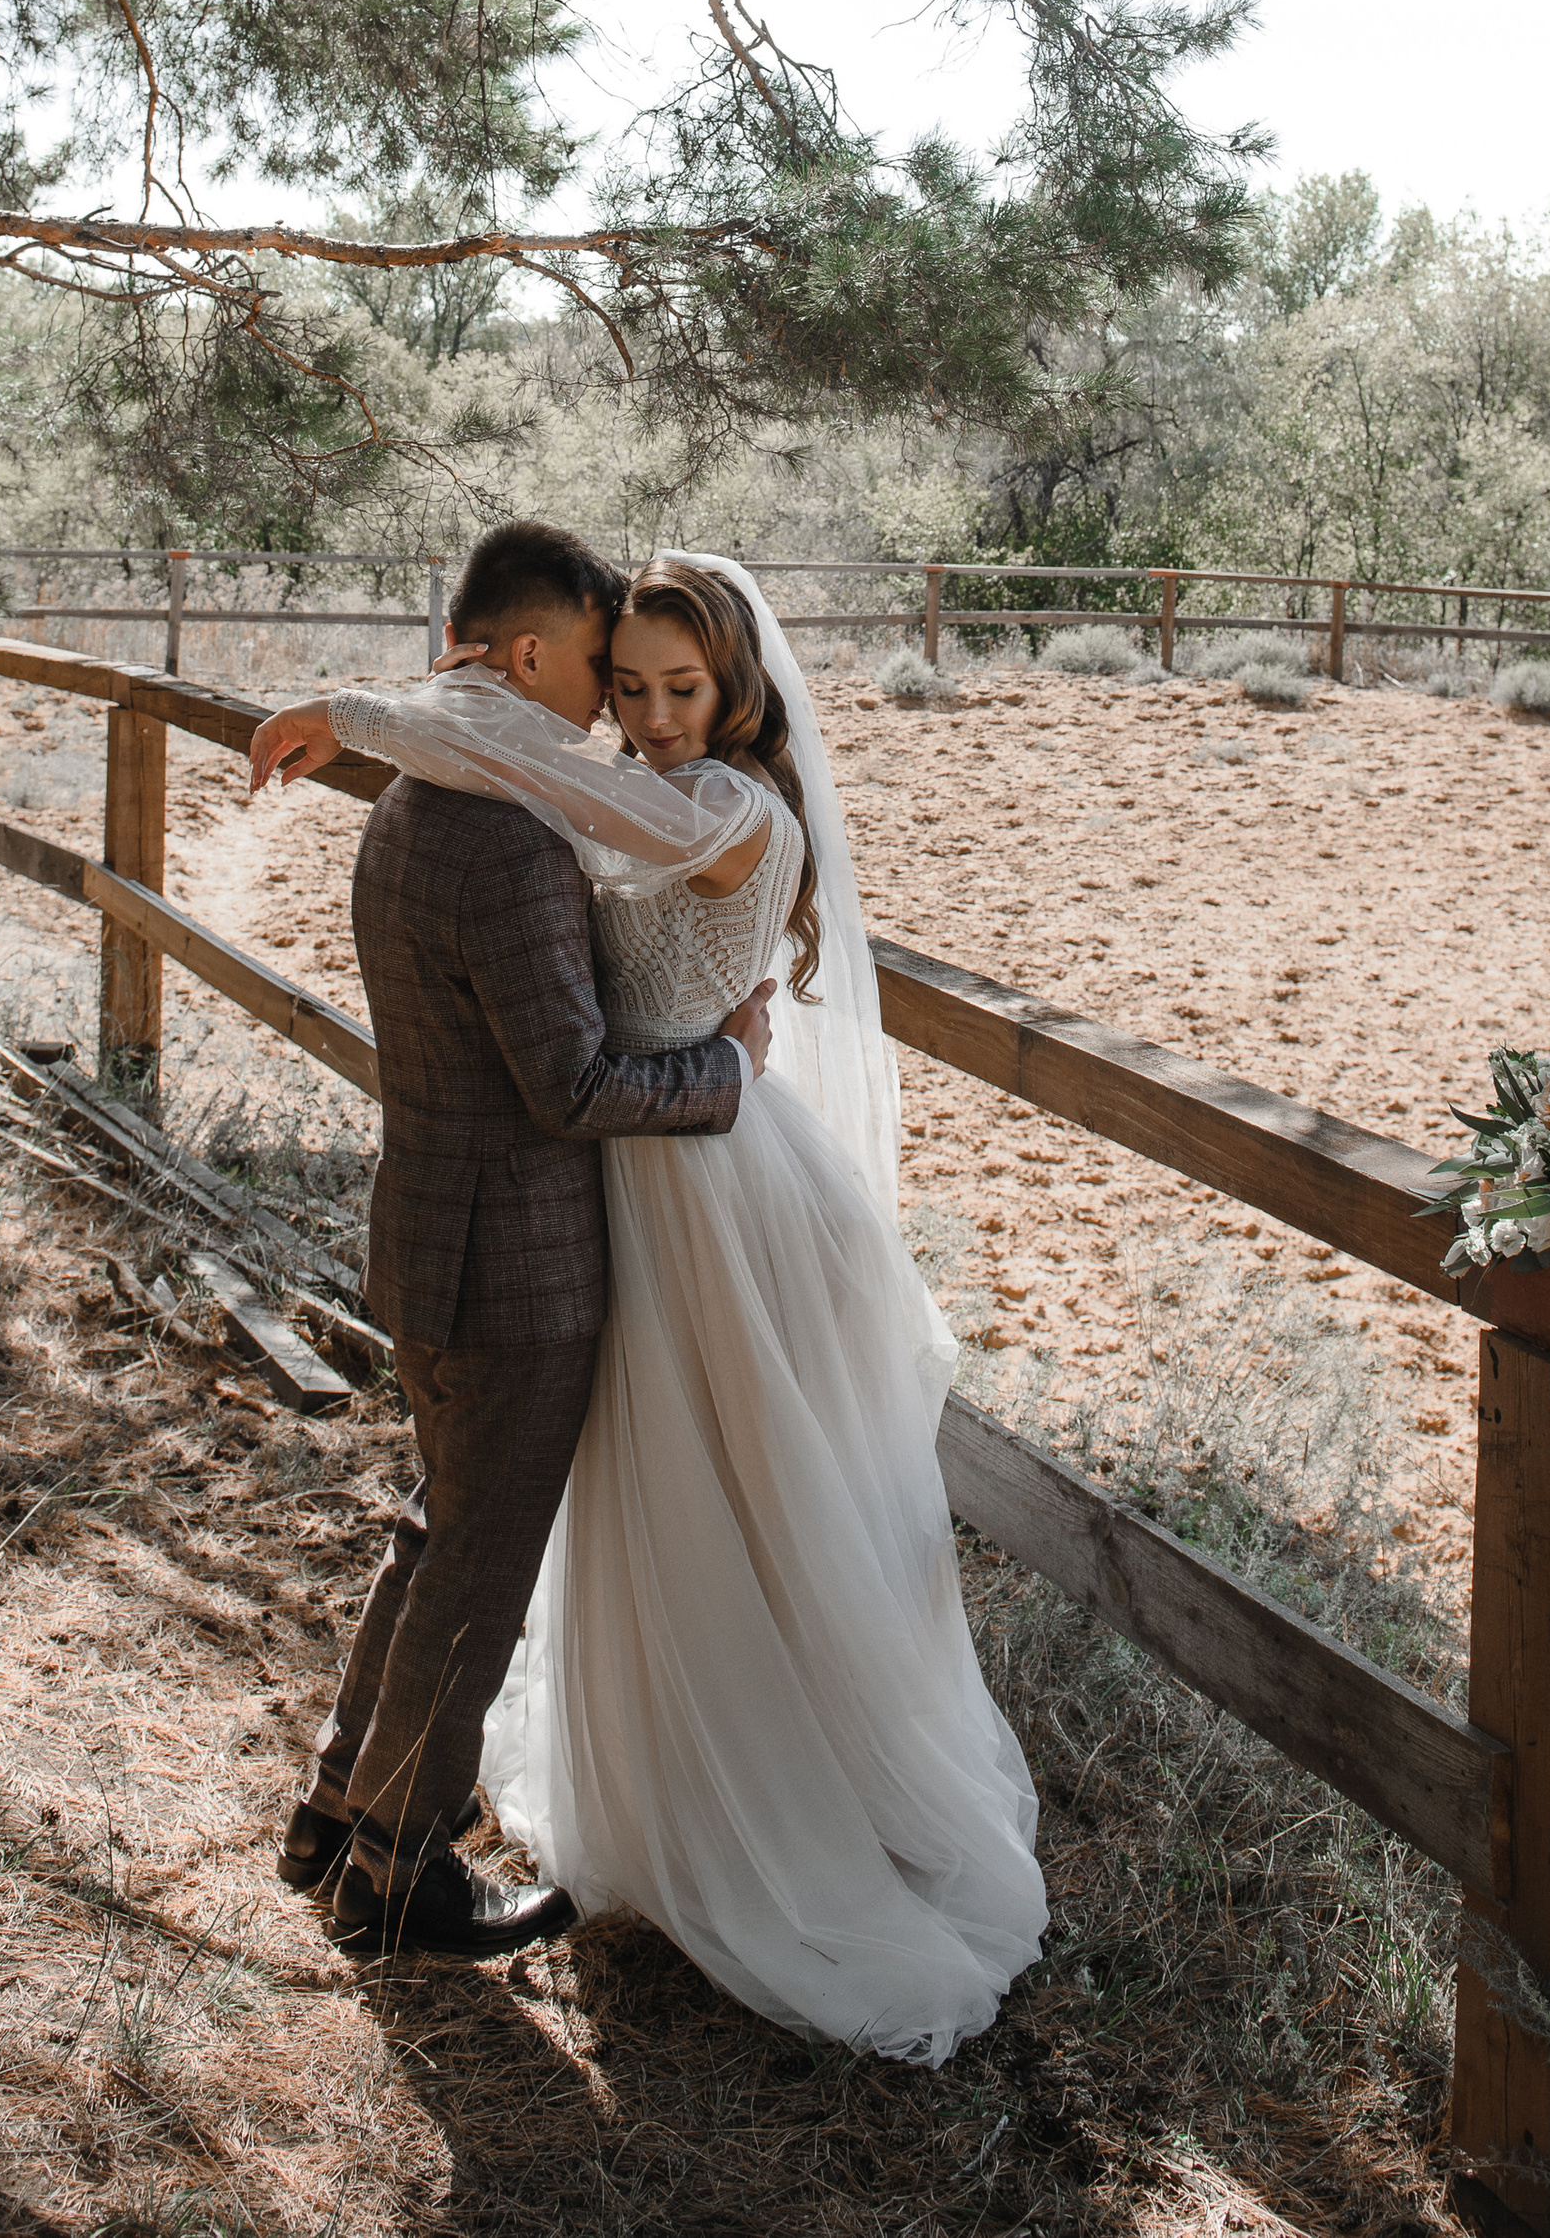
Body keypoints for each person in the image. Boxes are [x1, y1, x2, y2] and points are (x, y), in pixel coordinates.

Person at [258, 547, 1045, 2062]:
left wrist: (370, 710)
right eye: (630, 685)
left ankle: (378, 1808)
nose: (654, 712)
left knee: (678, 1509)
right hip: (594, 1195)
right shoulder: (519, 808)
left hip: (693, 1184)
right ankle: (386, 1839)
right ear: (563, 670)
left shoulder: (715, 807)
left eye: (684, 686)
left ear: (740, 686)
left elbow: (569, 807)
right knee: (490, 1538)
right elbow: (569, 1022)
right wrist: (408, 704)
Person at [247, 521, 773, 1962]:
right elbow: (580, 1085)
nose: (614, 708)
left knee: (433, 1538)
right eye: (605, 668)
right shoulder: (514, 840)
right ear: (529, 653)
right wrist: (730, 1072)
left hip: (429, 1228)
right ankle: (398, 1869)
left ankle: (339, 1804)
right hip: (516, 1267)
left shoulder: (417, 795)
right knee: (476, 1568)